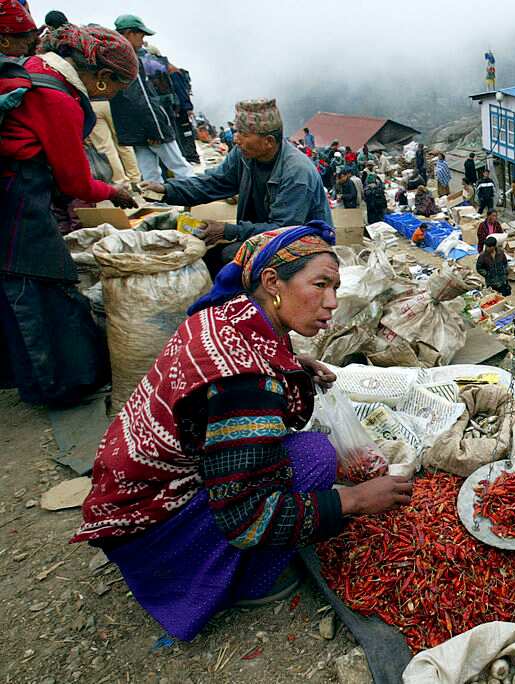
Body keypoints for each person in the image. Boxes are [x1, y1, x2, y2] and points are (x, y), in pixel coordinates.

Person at [71, 222, 414, 642]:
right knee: (314, 458)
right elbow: (246, 520)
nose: (331, 303)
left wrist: (296, 366)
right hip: (150, 527)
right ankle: (244, 582)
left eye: (335, 288)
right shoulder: (241, 380)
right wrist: (356, 499)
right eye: (320, 285)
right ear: (272, 282)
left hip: (130, 492)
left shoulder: (229, 313)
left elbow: (254, 367)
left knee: (296, 455)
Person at [0, 23, 138, 406]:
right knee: (38, 285)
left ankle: (25, 377)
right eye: (116, 88)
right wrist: (115, 191)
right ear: (102, 79)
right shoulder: (58, 98)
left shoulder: (36, 70)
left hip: (15, 193)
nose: (111, 96)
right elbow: (76, 182)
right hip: (17, 200)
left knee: (18, 286)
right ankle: (59, 386)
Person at [141, 98, 333, 271]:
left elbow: (283, 232)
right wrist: (167, 190)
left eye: (243, 134)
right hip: (264, 236)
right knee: (206, 255)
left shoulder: (297, 173)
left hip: (302, 246)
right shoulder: (244, 156)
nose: (236, 139)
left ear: (268, 141)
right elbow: (213, 182)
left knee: (227, 258)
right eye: (237, 131)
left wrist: (228, 231)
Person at [110, 14, 195, 183]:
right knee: (180, 167)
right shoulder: (130, 59)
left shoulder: (112, 58)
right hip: (149, 124)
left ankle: (157, 204)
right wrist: (155, 128)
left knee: (149, 173)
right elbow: (142, 98)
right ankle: (199, 200)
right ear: (129, 33)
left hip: (134, 128)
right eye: (141, 35)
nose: (142, 40)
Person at [88, 97, 142, 185]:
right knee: (124, 143)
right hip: (114, 102)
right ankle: (135, 179)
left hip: (92, 104)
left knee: (106, 148)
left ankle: (121, 181)